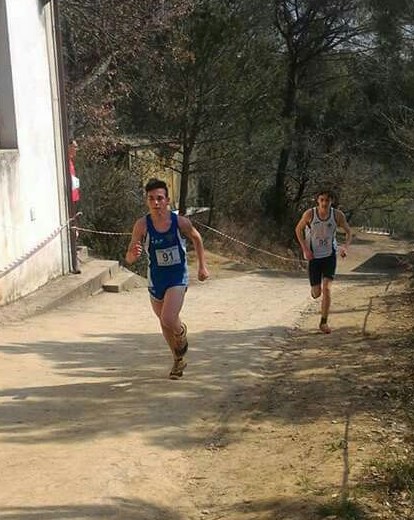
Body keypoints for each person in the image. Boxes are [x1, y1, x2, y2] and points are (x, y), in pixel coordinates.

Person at [125, 178, 209, 379]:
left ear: (167, 200)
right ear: (147, 201)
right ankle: (178, 360)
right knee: (163, 322)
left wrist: (202, 266)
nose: (155, 203)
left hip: (177, 277)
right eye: (151, 199)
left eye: (159, 198)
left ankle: (181, 333)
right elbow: (128, 256)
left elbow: (197, 237)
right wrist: (132, 255)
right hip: (156, 279)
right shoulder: (141, 225)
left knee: (168, 318)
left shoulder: (179, 222)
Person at [295, 189, 352, 334]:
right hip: (314, 257)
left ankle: (323, 322)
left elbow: (348, 232)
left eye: (327, 200)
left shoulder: (337, 215)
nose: (324, 203)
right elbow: (298, 229)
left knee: (327, 289)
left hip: (329, 256)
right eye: (322, 200)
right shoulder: (310, 214)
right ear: (317, 201)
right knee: (317, 293)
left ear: (331, 201)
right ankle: (314, 290)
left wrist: (345, 247)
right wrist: (305, 249)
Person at [68, 139, 80, 206]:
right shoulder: (65, 162)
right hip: (68, 197)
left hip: (73, 197)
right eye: (74, 147)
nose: (76, 149)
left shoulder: (70, 162)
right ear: (68, 147)